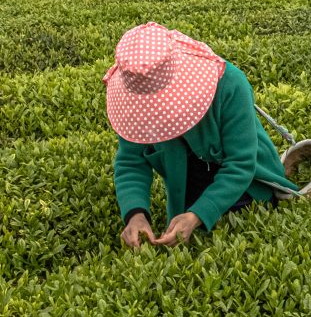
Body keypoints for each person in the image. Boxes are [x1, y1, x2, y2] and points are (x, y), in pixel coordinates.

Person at [104, 21, 296, 248]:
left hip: (248, 185)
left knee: (222, 241)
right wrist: (135, 215)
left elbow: (241, 163)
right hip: (189, 188)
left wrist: (198, 215)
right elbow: (131, 161)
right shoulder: (136, 100)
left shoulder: (230, 84)